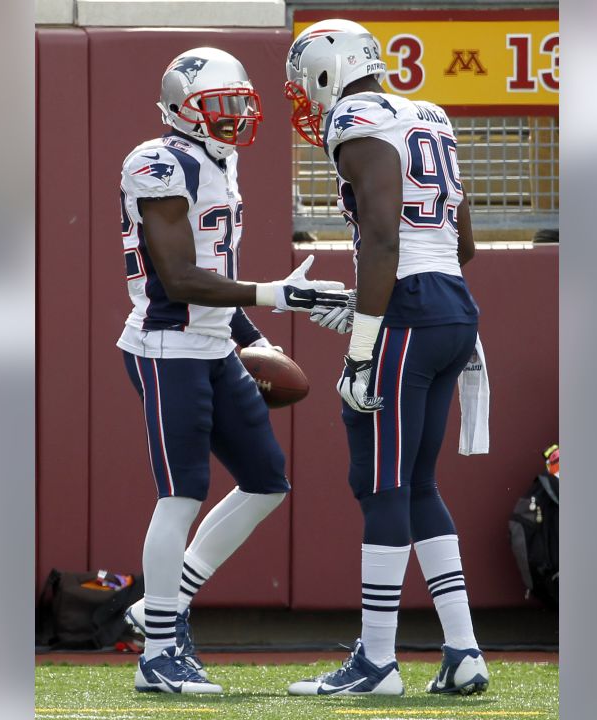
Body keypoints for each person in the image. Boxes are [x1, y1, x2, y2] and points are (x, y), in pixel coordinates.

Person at [117, 47, 350, 695]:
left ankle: (159, 606)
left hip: (215, 344)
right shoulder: (158, 161)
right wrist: (278, 295)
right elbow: (182, 278)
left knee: (266, 482)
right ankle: (158, 655)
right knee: (181, 494)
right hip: (167, 345)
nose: (233, 119)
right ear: (179, 111)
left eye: (240, 105)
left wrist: (256, 334)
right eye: (218, 108)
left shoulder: (224, 161)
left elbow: (216, 271)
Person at [283, 20, 489, 696]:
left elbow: (380, 234)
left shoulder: (355, 115)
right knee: (417, 484)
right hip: (452, 305)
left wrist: (365, 345)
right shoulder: (427, 111)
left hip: (409, 312)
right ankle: (462, 653)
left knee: (381, 485)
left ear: (326, 70)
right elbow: (460, 244)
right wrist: (369, 299)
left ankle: (377, 662)